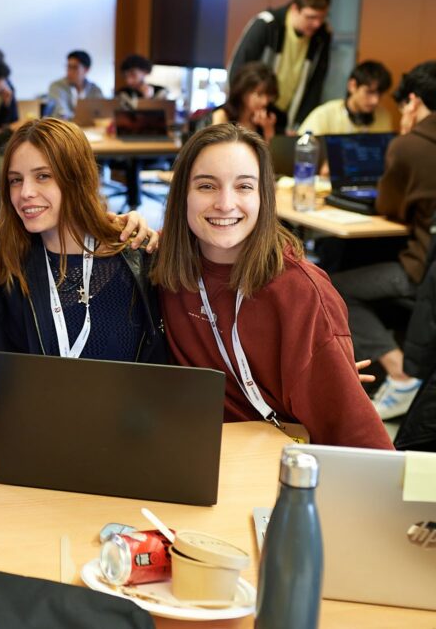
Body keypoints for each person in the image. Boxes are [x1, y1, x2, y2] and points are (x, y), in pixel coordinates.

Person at [150, 123, 391, 449]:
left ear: (264, 196)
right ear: (183, 195)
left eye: (244, 186)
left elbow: (362, 444)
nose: (225, 203)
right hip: (193, 450)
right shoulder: (164, 264)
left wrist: (327, 373)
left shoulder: (301, 293)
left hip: (273, 458)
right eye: (207, 186)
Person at [0, 118, 164, 436]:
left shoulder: (136, 256)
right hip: (25, 444)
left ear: (77, 178)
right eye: (15, 180)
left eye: (43, 176)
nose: (25, 193)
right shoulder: (0, 253)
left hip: (120, 442)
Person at [331, 61, 436, 420]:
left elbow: (389, 206)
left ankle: (400, 373)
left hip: (422, 270)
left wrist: (407, 138)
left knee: (335, 288)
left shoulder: (409, 145)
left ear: (413, 101)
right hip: (428, 263)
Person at [228, 0, 332, 129]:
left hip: (285, 119)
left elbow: (315, 86)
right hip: (252, 114)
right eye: (311, 17)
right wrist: (244, 113)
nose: (317, 24)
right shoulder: (267, 25)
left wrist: (300, 123)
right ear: (295, 8)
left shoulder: (322, 37)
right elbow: (237, 72)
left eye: (322, 17)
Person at [298, 60, 394, 135]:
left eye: (380, 94)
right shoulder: (325, 114)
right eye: (369, 92)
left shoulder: (383, 116)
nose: (375, 101)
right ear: (352, 86)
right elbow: (303, 145)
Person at [212, 62, 286, 143]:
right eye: (259, 94)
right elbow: (215, 147)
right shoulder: (222, 115)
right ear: (243, 91)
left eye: (269, 95)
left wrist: (268, 129)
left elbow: (271, 150)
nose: (265, 102)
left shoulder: (272, 118)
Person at [45, 51, 104, 120]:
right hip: (65, 126)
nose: (69, 71)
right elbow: (61, 114)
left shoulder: (95, 90)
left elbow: (101, 113)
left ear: (86, 70)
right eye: (68, 67)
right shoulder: (56, 87)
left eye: (74, 67)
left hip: (89, 126)